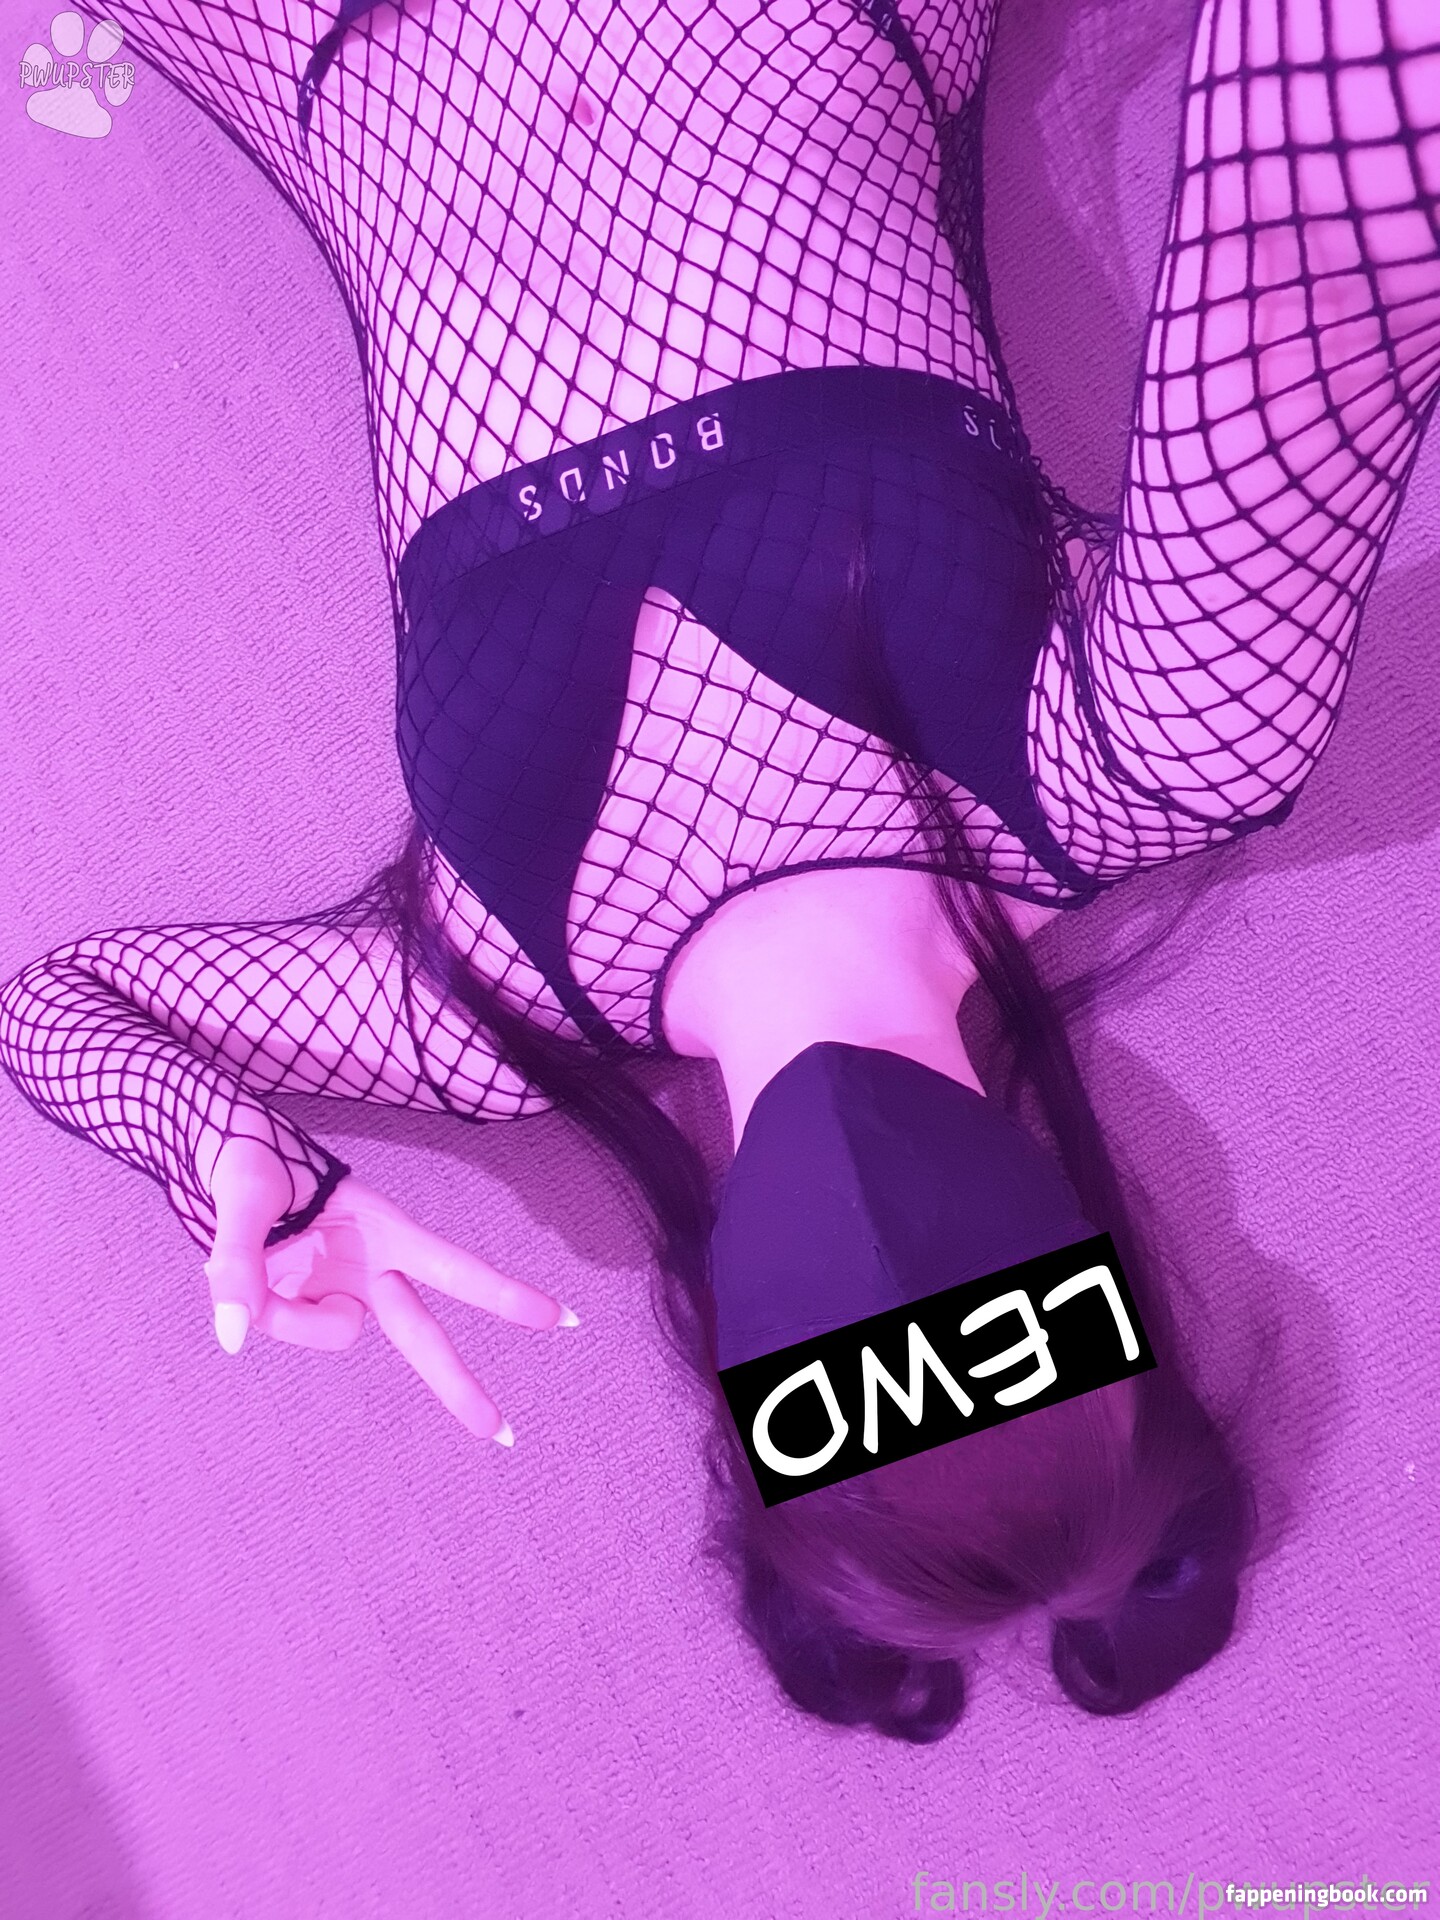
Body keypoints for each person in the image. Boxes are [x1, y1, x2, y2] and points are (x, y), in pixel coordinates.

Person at [3, 0, 1438, 1741]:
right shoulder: (1153, 751)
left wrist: (230, 1157)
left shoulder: (493, 1008)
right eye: (992, 1353)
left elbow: (59, 1009)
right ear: (1091, 1289)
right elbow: (1326, 204)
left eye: (874, 1400)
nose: (901, 1278)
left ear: (756, 1403)